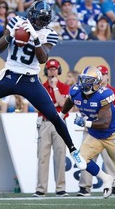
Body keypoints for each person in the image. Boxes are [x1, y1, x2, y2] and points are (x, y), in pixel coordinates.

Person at [0, 0, 86, 171]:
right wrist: (11, 35)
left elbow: (42, 59)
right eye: (39, 19)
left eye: (43, 21)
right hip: (9, 75)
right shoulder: (16, 21)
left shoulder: (49, 33)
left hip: (30, 80)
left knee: (54, 116)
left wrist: (34, 38)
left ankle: (73, 150)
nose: (40, 23)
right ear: (32, 14)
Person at [60, 66, 115, 207]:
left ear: (97, 83)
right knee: (81, 160)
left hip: (110, 135)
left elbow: (105, 123)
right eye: (83, 80)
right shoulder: (76, 91)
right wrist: (61, 114)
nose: (85, 84)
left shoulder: (104, 95)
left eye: (89, 81)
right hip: (94, 135)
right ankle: (105, 178)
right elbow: (70, 100)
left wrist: (85, 122)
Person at [76, 65, 115, 197]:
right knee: (85, 158)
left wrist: (103, 117)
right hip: (90, 129)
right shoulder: (85, 91)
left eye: (103, 74)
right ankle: (85, 186)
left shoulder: (111, 92)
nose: (101, 77)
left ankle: (114, 185)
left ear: (107, 76)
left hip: (107, 131)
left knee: (110, 159)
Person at [33, 59, 69, 198]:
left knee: (60, 155)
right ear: (46, 71)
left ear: (58, 70)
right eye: (50, 69)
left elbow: (62, 103)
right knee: (43, 156)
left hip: (59, 121)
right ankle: (41, 188)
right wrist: (52, 103)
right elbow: (37, 106)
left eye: (54, 69)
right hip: (45, 121)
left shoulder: (63, 87)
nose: (52, 71)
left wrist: (55, 88)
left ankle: (60, 188)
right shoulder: (40, 87)